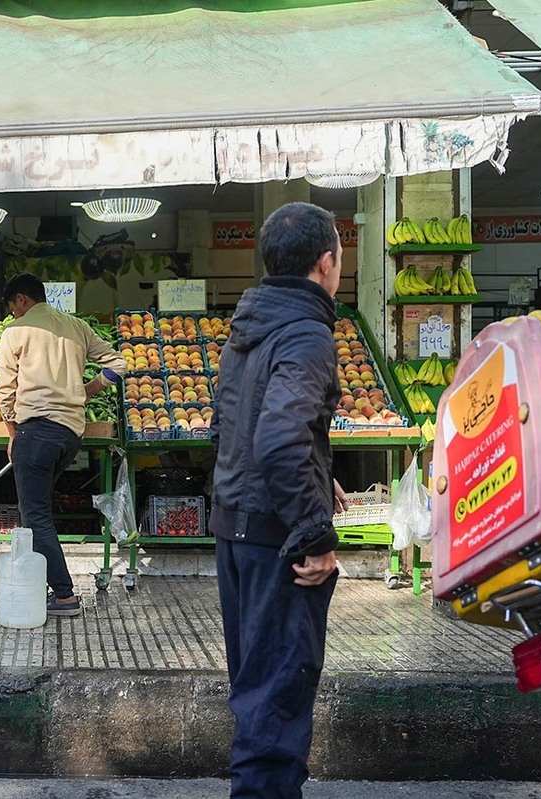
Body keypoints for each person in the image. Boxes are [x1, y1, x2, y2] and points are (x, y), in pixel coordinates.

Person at [210, 202, 350, 798]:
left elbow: (230, 427)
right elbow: (277, 436)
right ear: (325, 263)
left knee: (258, 692)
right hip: (276, 542)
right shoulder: (308, 332)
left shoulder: (249, 326)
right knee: (277, 703)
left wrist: (318, 475)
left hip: (237, 529)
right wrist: (315, 535)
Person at [0, 272, 126, 618]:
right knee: (34, 513)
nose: (12, 315)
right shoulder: (77, 327)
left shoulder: (14, 331)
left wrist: (12, 434)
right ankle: (39, 581)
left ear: (21, 300)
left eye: (12, 308)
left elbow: (5, 392)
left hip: (35, 432)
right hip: (70, 434)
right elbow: (118, 364)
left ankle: (65, 595)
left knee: (36, 516)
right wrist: (86, 391)